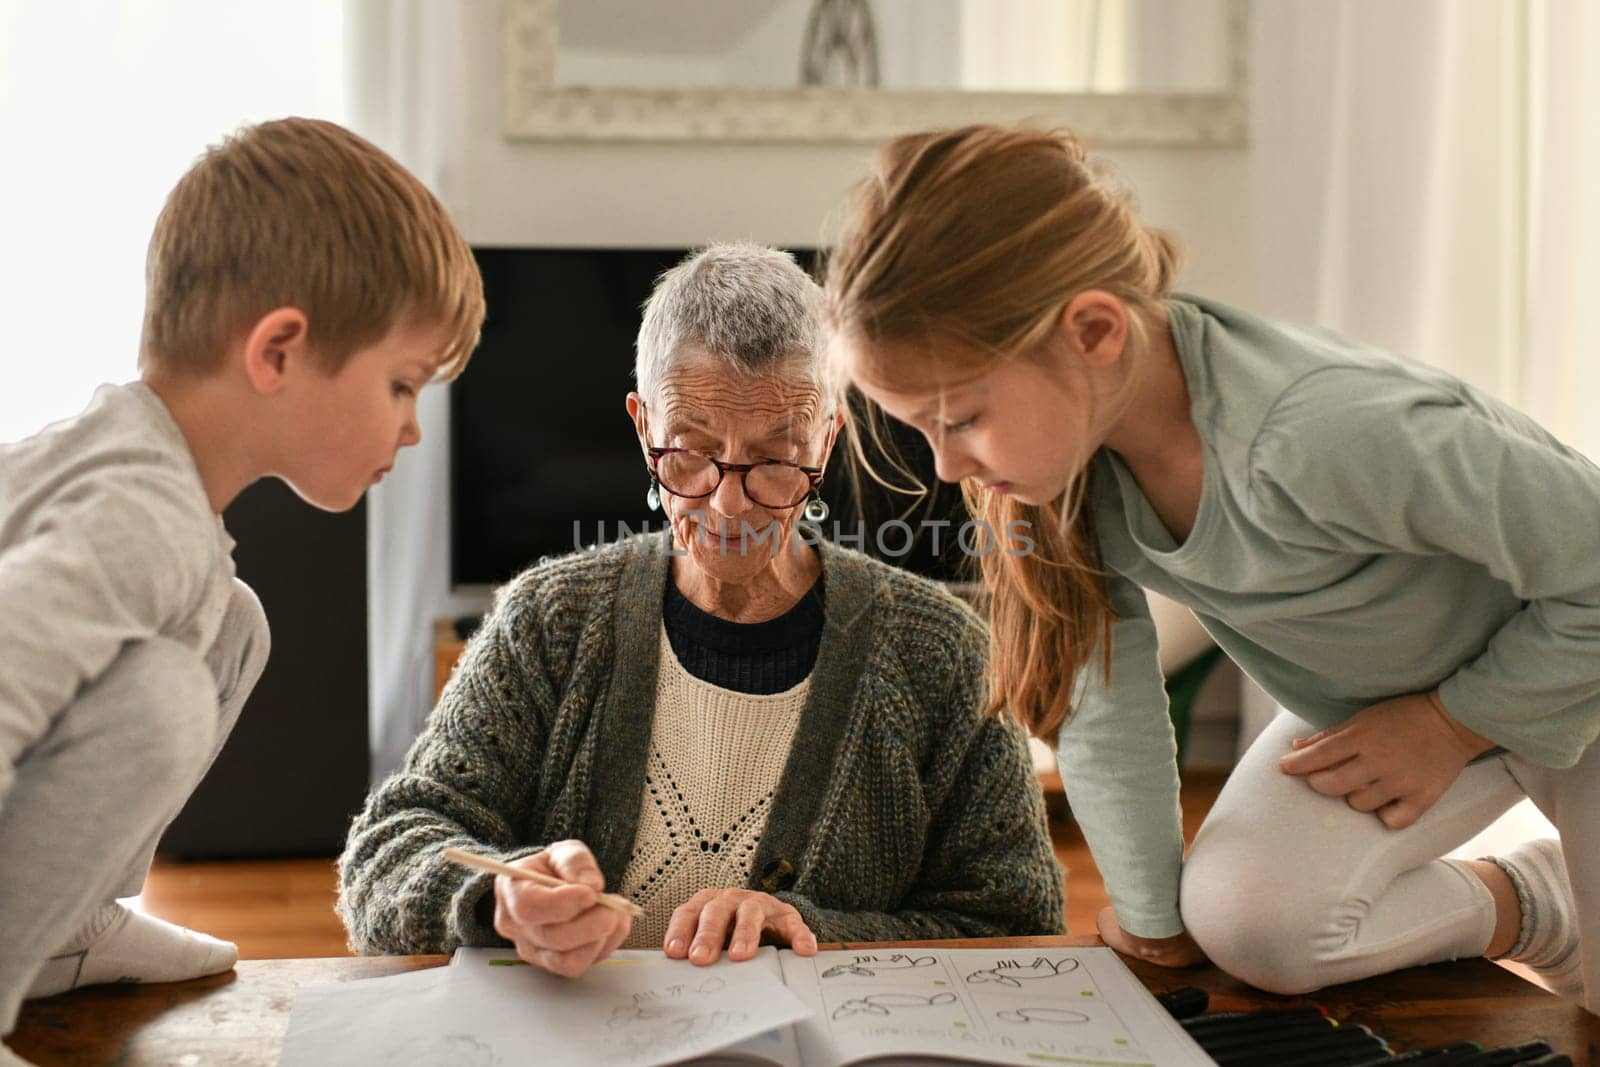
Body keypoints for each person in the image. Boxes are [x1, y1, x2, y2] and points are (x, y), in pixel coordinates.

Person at [823, 124, 1598, 1012]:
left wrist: (1453, 724)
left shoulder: (1320, 431)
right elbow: (1103, 699)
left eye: (957, 420)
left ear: (1094, 331)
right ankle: (1536, 900)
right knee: (1245, 923)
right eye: (917, 428)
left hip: (1577, 663)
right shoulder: (1070, 476)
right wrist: (1154, 915)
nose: (946, 466)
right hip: (1393, 711)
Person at [337, 243, 1064, 978]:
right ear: (643, 426)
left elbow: (1018, 924)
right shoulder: (549, 622)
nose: (727, 502)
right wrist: (495, 896)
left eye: (776, 458)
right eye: (690, 452)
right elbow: (387, 851)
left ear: (828, 437)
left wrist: (812, 931)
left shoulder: (942, 654)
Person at [0, 117, 484, 1064]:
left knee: (231, 625)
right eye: (401, 385)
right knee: (164, 701)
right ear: (278, 353)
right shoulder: (140, 513)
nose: (413, 428)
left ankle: (66, 930)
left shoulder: (142, 471)